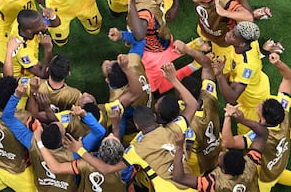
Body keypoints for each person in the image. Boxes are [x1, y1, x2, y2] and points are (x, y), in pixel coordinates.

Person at [63, 62, 198, 191]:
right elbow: (192, 104)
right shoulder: (174, 129)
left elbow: (107, 169)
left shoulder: (136, 149)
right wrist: (173, 80)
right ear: (154, 118)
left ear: (137, 125)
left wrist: (79, 150)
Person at [2, 84, 106, 191]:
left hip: (42, 188)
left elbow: (7, 117)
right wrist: (84, 115)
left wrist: (16, 96)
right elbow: (100, 132)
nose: (59, 123)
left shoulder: (31, 141)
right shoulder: (74, 151)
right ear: (62, 140)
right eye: (61, 127)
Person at [221, 53, 291, 191]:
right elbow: (288, 77)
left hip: (266, 175)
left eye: (260, 106)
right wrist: (278, 63)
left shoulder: (256, 138)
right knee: (280, 173)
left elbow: (228, 142)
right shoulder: (283, 110)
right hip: (282, 159)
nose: (260, 103)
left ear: (262, 119)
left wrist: (227, 117)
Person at [126, 0, 200, 95]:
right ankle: (196, 45)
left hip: (153, 51)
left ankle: (196, 65)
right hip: (161, 37)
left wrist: (132, 2)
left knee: (153, 85)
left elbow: (139, 35)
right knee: (172, 52)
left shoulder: (144, 11)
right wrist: (176, 3)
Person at [172, 104, 268, 191]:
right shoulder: (250, 164)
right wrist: (242, 120)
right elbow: (263, 134)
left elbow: (179, 177)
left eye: (222, 157)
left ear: (224, 170)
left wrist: (179, 147)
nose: (221, 153)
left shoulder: (214, 184)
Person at [172, 40, 222, 176]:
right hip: (216, 146)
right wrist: (187, 50)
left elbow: (186, 152)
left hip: (198, 160)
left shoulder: (181, 114)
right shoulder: (209, 95)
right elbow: (206, 65)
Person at [213, 21, 270, 134]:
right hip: (257, 82)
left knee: (246, 134)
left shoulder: (246, 67)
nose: (228, 34)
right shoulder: (250, 43)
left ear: (242, 44)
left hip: (253, 100)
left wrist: (219, 75)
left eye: (233, 36)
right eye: (232, 30)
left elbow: (232, 98)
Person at [3, 8, 60, 79]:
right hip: (23, 76)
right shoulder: (23, 52)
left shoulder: (26, 22)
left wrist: (52, 16)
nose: (44, 23)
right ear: (29, 31)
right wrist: (48, 49)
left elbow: (56, 23)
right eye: (40, 25)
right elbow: (44, 74)